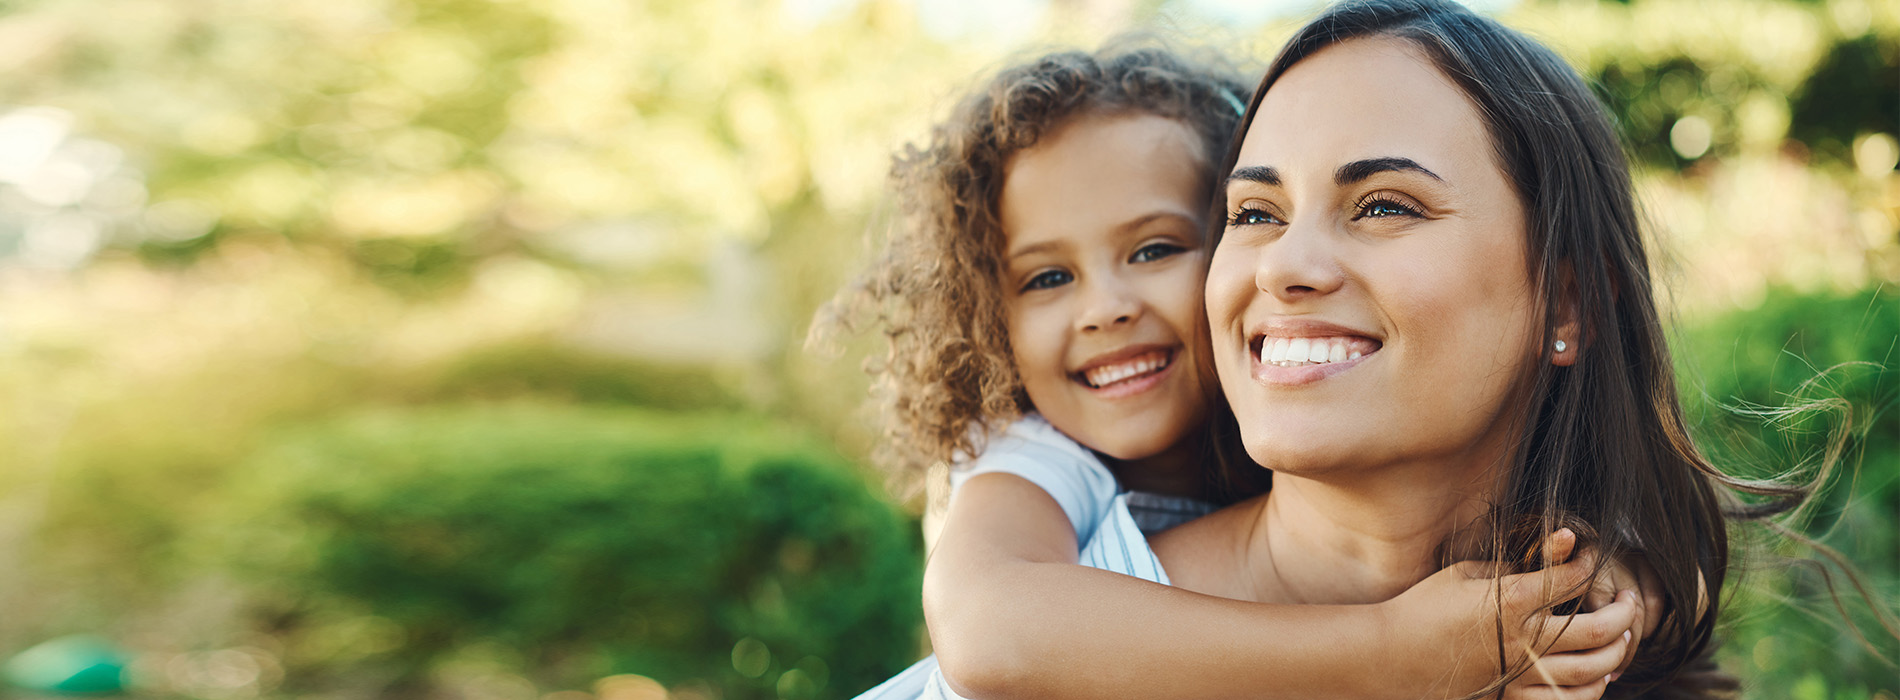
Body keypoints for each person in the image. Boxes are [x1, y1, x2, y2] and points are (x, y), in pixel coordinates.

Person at [819, 41, 1658, 700]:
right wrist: (1396, 656)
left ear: (1568, 303)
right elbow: (989, 631)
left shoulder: (1262, 424)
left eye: (1154, 249)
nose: (1104, 308)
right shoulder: (1035, 458)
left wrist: (1604, 591)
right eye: (1259, 213)